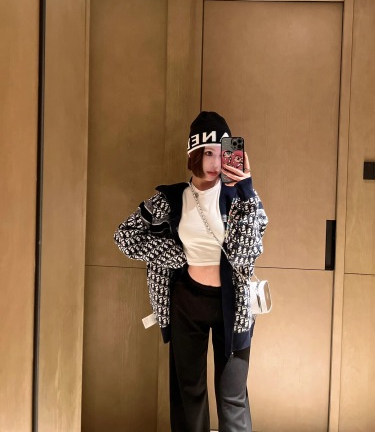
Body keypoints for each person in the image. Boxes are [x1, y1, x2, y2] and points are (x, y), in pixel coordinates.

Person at [114, 111, 268, 432]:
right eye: (208, 152)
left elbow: (247, 253)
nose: (215, 162)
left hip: (232, 305)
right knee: (190, 393)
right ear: (194, 154)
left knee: (232, 396)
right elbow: (125, 237)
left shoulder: (241, 197)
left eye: (223, 153)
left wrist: (244, 188)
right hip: (187, 302)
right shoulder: (172, 199)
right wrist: (175, 255)